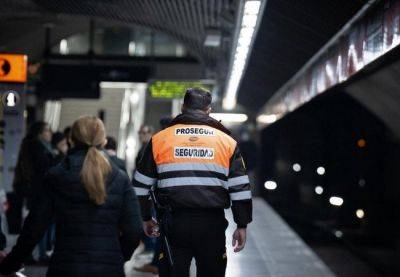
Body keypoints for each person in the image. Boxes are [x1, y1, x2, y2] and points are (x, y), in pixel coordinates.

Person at [0, 116, 142, 277]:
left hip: (65, 267)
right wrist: (116, 257)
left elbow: (33, 229)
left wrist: (9, 264)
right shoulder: (120, 178)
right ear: (103, 142)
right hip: (109, 269)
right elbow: (134, 230)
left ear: (71, 140)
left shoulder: (56, 176)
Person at [133, 88, 253, 277]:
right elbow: (240, 188)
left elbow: (140, 186)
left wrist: (146, 217)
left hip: (173, 223)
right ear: (209, 111)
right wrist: (242, 224)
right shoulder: (227, 142)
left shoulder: (159, 139)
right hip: (211, 224)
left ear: (182, 107)